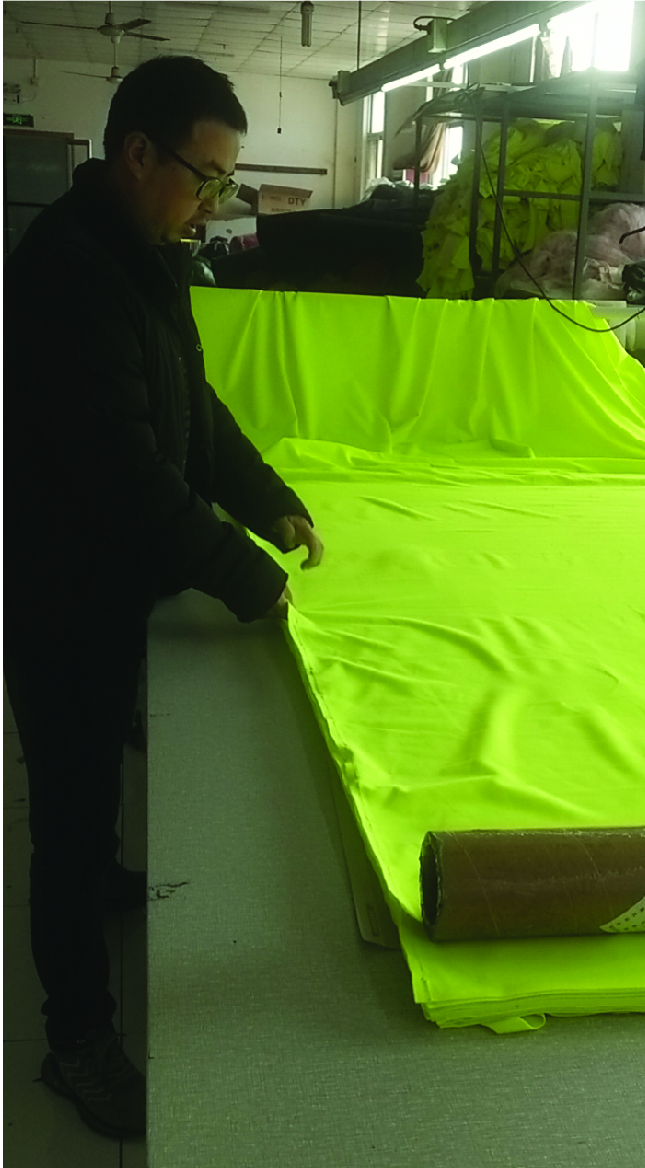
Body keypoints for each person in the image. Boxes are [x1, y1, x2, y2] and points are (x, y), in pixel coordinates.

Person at [3, 56, 323, 1141]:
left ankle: (100, 877)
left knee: (95, 787)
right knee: (69, 809)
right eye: (207, 178)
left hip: (108, 580)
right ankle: (75, 1041)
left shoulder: (146, 253)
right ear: (138, 154)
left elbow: (193, 405)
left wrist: (268, 501)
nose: (215, 202)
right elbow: (124, 471)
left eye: (227, 183)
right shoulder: (65, 273)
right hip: (58, 593)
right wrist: (244, 575)